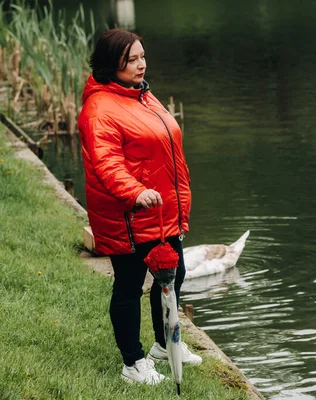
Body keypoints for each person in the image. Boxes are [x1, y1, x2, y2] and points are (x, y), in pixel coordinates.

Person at [78, 28, 202, 385]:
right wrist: (133, 192)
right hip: (129, 214)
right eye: (130, 60)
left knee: (173, 275)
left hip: (162, 210)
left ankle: (164, 346)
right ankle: (132, 363)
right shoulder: (99, 109)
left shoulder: (141, 96)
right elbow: (107, 164)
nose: (140, 65)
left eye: (142, 57)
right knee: (130, 286)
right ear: (109, 64)